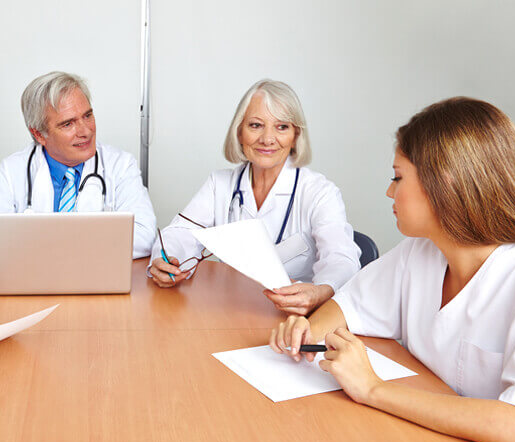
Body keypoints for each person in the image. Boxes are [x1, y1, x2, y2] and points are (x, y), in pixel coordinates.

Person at [269, 97, 515, 442]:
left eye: (397, 178)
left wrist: (375, 388)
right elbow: (347, 306)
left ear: (443, 182)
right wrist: (305, 331)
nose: (388, 192)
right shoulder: (422, 253)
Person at [150, 80, 360, 316]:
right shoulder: (220, 184)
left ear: (295, 135)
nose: (268, 139)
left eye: (282, 127)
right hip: (231, 311)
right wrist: (167, 260)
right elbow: (179, 233)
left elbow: (341, 259)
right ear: (239, 132)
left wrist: (321, 291)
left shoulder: (320, 192)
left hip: (293, 323)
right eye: (256, 125)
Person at [0, 71, 157, 264]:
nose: (85, 131)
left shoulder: (119, 165)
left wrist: (41, 246)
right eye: (68, 124)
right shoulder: (13, 170)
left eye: (87, 116)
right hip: (33, 286)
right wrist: (62, 248)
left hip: (97, 286)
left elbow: (144, 235)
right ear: (39, 135)